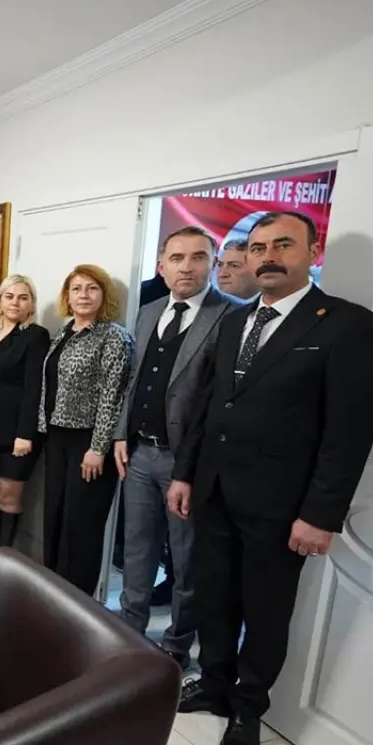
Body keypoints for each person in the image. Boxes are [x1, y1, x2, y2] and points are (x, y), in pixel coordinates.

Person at [168, 211, 373, 745]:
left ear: (313, 251)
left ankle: (248, 709)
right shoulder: (234, 321)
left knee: (265, 611)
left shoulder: (347, 326)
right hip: (214, 490)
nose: (268, 256)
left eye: (283, 245)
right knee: (214, 597)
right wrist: (185, 474)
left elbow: (348, 433)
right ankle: (214, 682)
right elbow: (207, 409)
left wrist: (321, 515)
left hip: (281, 504)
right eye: (259, 247)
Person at [112, 228, 239, 669]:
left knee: (187, 559)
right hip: (139, 454)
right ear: (161, 266)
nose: (187, 267)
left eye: (198, 257)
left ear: (213, 264)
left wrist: (191, 466)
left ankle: (178, 642)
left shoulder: (231, 316)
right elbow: (134, 380)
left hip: (189, 462)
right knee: (137, 550)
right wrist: (121, 434)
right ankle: (128, 631)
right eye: (177, 258)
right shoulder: (148, 312)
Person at [38, 264, 132, 595]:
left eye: (92, 288)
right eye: (76, 289)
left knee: (81, 525)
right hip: (57, 436)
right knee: (55, 516)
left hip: (89, 441)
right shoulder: (64, 332)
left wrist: (98, 448)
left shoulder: (114, 336)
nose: (83, 295)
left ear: (104, 295)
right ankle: (52, 590)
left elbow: (112, 396)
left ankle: (77, 599)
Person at [0, 275, 49, 549]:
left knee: (8, 496)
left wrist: (25, 434)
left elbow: (34, 388)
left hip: (16, 432)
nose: (15, 303)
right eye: (9, 296)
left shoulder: (35, 335)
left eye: (23, 297)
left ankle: (3, 556)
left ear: (31, 304)